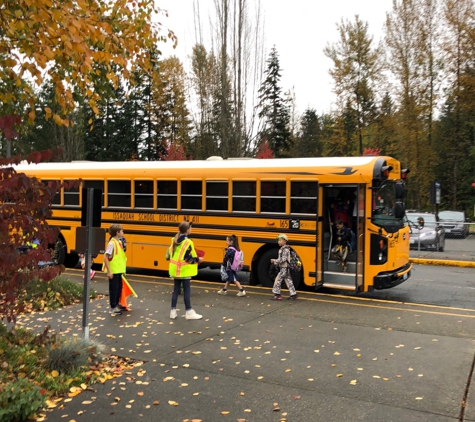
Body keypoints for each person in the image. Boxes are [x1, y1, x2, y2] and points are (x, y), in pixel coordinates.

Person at [166, 221, 203, 320]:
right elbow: (188, 258)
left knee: (176, 290)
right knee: (187, 290)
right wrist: (198, 260)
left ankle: (173, 311)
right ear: (187, 230)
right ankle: (189, 311)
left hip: (175, 269)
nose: (191, 229)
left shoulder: (175, 239)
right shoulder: (188, 242)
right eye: (190, 228)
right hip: (184, 270)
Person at [103, 224, 127, 315]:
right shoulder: (112, 243)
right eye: (122, 231)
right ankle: (113, 307)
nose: (123, 232)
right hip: (113, 271)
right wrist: (109, 271)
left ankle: (116, 305)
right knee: (113, 289)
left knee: (118, 289)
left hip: (118, 271)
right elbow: (106, 257)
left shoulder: (119, 242)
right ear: (117, 233)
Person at [270, 234, 297, 301]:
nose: (278, 242)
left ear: (285, 241)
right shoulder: (285, 249)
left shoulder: (284, 250)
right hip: (286, 268)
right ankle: (293, 294)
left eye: (280, 240)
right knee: (288, 281)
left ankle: (277, 295)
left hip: (284, 268)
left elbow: (283, 259)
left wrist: (274, 261)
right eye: (278, 240)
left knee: (278, 280)